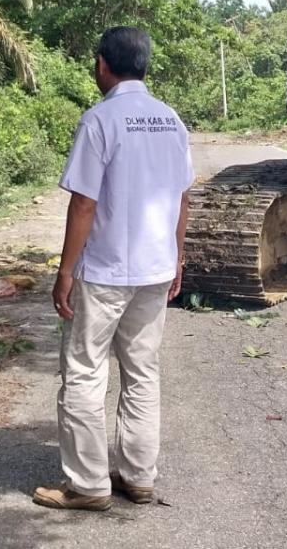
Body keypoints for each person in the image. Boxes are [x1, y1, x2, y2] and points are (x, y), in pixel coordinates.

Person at [33, 26, 194, 512]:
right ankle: (138, 477)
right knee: (142, 372)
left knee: (84, 373)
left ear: (103, 64)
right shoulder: (172, 121)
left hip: (104, 272)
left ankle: (88, 486)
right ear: (145, 65)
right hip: (155, 268)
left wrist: (65, 271)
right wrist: (178, 256)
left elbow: (84, 203)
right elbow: (183, 198)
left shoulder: (99, 121)